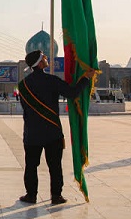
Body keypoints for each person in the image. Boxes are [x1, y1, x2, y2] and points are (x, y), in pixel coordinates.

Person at [18, 50, 96, 205]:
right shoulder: (52, 81)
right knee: (55, 166)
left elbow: (26, 111)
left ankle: (31, 195)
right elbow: (72, 93)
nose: (47, 58)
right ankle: (56, 196)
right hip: (52, 132)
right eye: (44, 57)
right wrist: (86, 78)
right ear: (40, 63)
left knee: (31, 166)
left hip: (32, 134)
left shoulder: (23, 85)